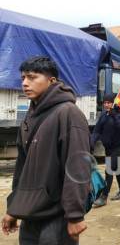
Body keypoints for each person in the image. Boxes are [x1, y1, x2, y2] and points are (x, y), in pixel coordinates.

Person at [2, 57, 91, 244]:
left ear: (51, 81)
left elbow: (77, 168)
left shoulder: (68, 114)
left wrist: (74, 215)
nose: (25, 83)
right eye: (23, 78)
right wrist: (14, 208)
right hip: (31, 214)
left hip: (56, 215)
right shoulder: (30, 116)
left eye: (32, 77)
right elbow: (22, 168)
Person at [91, 94, 120, 207]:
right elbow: (97, 131)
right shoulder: (103, 115)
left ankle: (104, 197)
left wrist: (114, 116)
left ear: (113, 103)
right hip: (108, 147)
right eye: (105, 102)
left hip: (119, 145)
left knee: (110, 168)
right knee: (116, 167)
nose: (106, 104)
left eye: (109, 102)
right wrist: (91, 143)